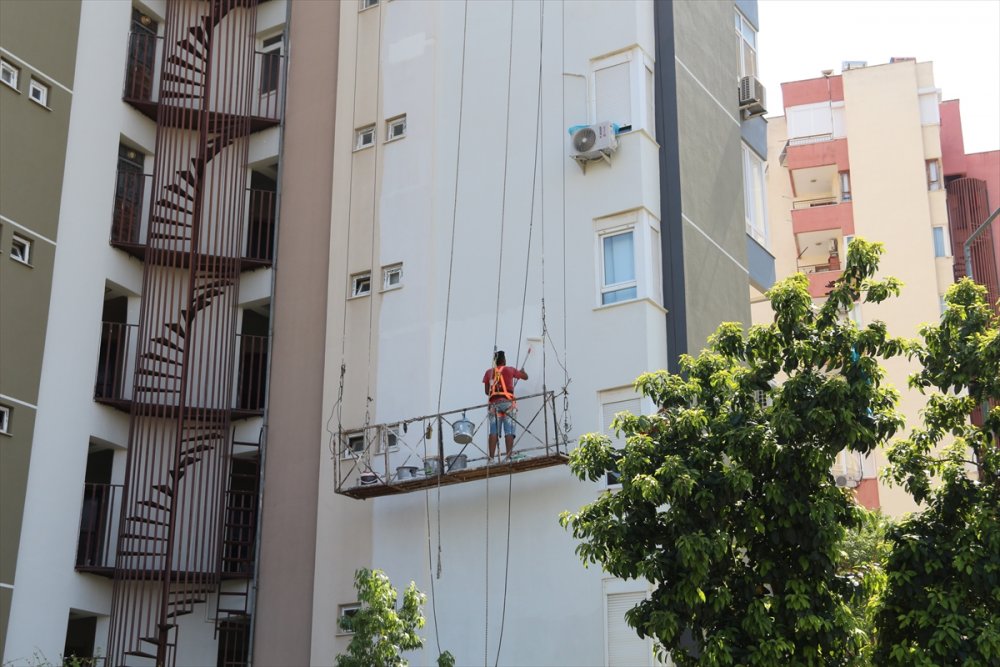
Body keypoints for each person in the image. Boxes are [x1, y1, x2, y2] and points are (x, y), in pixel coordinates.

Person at [482, 350, 528, 461]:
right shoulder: (510, 370)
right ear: (504, 360)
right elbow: (525, 377)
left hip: (494, 405)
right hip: (508, 404)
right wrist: (523, 371)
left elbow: (487, 392)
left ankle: (491, 458)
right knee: (509, 431)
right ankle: (508, 457)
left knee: (493, 431)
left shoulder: (489, 372)